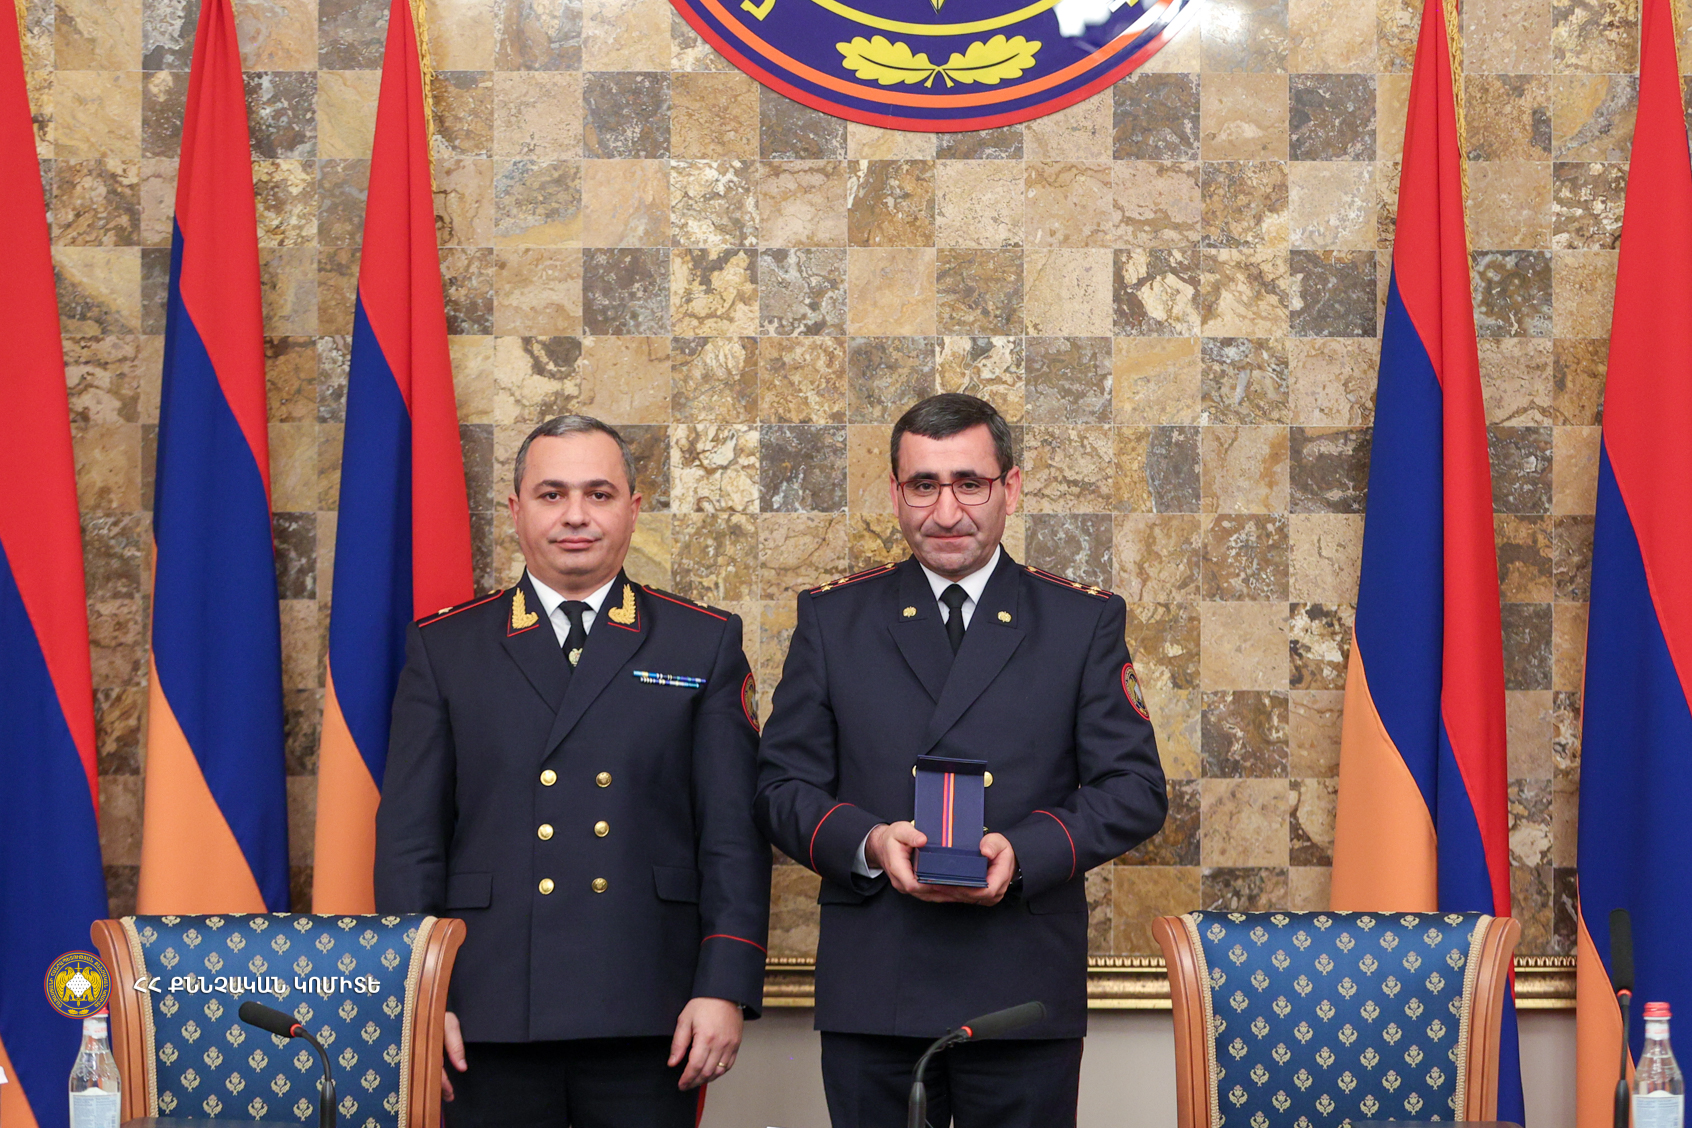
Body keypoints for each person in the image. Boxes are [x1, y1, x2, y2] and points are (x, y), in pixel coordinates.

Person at [754, 393, 1167, 1128]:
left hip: (1021, 985)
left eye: (969, 483)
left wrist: (1026, 851)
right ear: (895, 493)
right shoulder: (834, 618)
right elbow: (780, 787)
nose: (946, 512)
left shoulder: (1081, 621)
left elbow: (1134, 788)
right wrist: (870, 842)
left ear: (1011, 488)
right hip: (877, 981)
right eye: (924, 485)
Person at [375, 415, 769, 1128]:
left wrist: (724, 986)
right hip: (484, 1005)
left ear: (633, 509)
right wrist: (419, 997)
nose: (576, 516)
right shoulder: (447, 646)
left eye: (599, 494)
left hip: (649, 1005)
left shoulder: (701, 642)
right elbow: (410, 841)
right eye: (552, 494)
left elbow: (732, 836)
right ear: (516, 509)